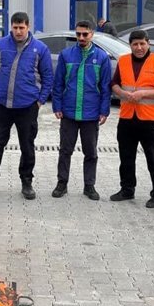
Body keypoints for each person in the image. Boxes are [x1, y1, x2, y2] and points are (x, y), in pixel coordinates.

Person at [0, 12, 53, 199]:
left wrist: (39, 101)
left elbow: (48, 78)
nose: (18, 31)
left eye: (22, 28)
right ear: (10, 27)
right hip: (1, 105)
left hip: (27, 107)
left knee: (27, 146)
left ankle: (27, 182)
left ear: (28, 27)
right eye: (15, 27)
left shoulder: (41, 49)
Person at [110, 29, 154, 208]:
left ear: (148, 43)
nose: (139, 47)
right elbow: (113, 83)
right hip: (127, 119)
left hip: (150, 121)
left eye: (142, 44)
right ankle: (127, 190)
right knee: (126, 158)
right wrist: (121, 92)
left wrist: (143, 93)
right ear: (130, 45)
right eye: (135, 44)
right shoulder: (123, 61)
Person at [50, 20, 111, 200]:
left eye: (85, 34)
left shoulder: (101, 57)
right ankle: (62, 184)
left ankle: (89, 186)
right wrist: (57, 106)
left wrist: (104, 110)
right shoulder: (66, 55)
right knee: (65, 150)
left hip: (91, 114)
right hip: (68, 112)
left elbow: (106, 87)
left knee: (90, 152)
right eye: (78, 34)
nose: (82, 37)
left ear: (92, 34)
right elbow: (58, 83)